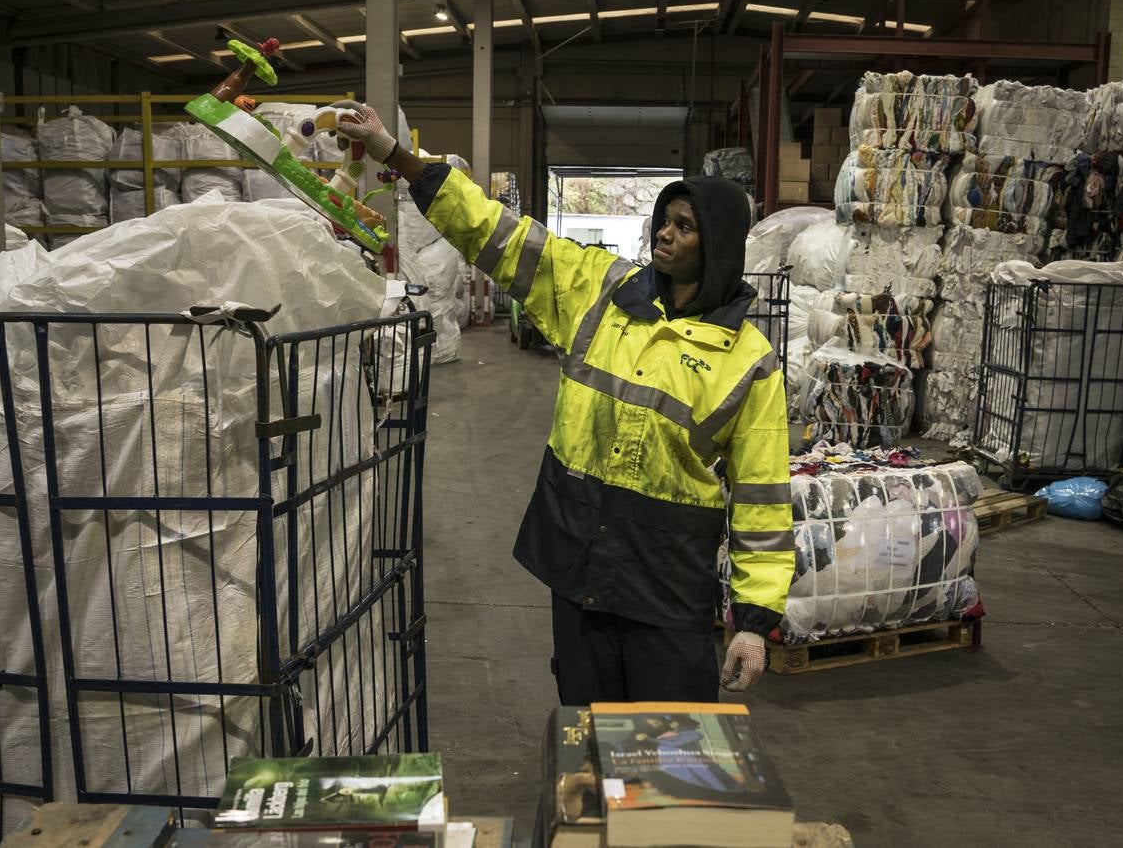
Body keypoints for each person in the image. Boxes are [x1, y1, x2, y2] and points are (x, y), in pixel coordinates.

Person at [336, 102, 793, 703]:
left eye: (685, 226)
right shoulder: (604, 292)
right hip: (579, 559)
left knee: (671, 744)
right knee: (588, 730)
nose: (665, 234)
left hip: (667, 585)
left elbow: (762, 495)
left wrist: (755, 621)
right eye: (664, 220)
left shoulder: (748, 359)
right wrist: (394, 152)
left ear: (720, 247)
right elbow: (495, 232)